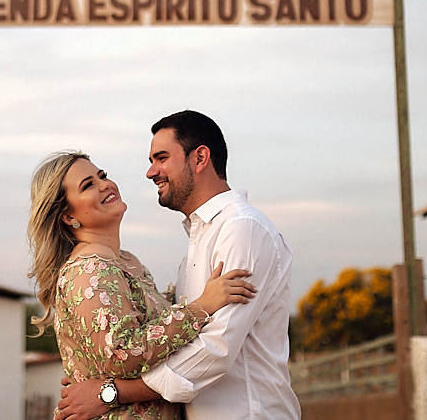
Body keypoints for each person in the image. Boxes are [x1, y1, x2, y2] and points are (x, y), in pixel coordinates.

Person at [57, 110, 301, 420]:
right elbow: (163, 338)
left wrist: (110, 393)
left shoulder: (242, 229)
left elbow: (214, 351)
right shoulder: (198, 242)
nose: (151, 172)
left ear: (200, 158)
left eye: (161, 158)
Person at [28, 150, 257, 420]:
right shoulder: (87, 270)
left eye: (102, 175)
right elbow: (121, 355)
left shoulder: (125, 261)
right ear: (68, 216)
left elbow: (151, 323)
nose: (105, 185)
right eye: (88, 185)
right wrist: (200, 307)